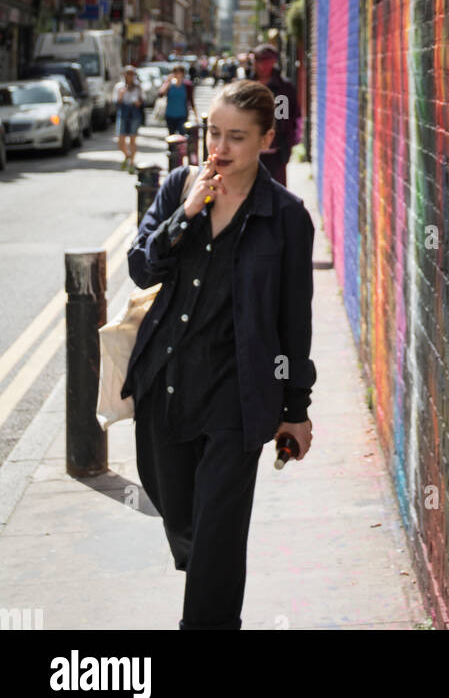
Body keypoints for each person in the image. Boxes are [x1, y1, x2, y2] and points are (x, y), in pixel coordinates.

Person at [122, 80, 316, 631]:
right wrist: (184, 214)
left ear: (267, 140)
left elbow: (293, 321)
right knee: (183, 520)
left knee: (219, 542)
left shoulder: (286, 218)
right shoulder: (181, 186)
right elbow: (140, 267)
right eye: (214, 133)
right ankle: (202, 560)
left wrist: (295, 409)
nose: (220, 148)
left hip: (238, 399)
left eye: (236, 137)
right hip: (167, 385)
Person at [250, 44, 300, 187]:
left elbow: (290, 118)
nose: (261, 65)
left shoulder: (284, 87)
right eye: (258, 60)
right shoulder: (246, 86)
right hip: (250, 152)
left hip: (276, 153)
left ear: (273, 62)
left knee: (277, 195)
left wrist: (287, 145)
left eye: (265, 61)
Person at [114, 66, 145, 171]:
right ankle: (128, 155)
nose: (129, 76)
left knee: (132, 139)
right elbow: (115, 103)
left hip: (134, 114)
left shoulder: (138, 87)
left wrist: (138, 103)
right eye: (127, 73)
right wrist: (120, 95)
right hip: (123, 114)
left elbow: (142, 101)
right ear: (124, 75)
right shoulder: (119, 87)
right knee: (120, 141)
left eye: (131, 73)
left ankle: (132, 163)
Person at [158, 64, 198, 137]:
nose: (178, 74)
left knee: (182, 136)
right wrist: (167, 81)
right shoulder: (169, 85)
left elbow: (191, 100)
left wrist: (196, 116)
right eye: (176, 72)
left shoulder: (187, 85)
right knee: (171, 137)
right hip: (170, 115)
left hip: (182, 115)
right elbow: (160, 94)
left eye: (180, 72)